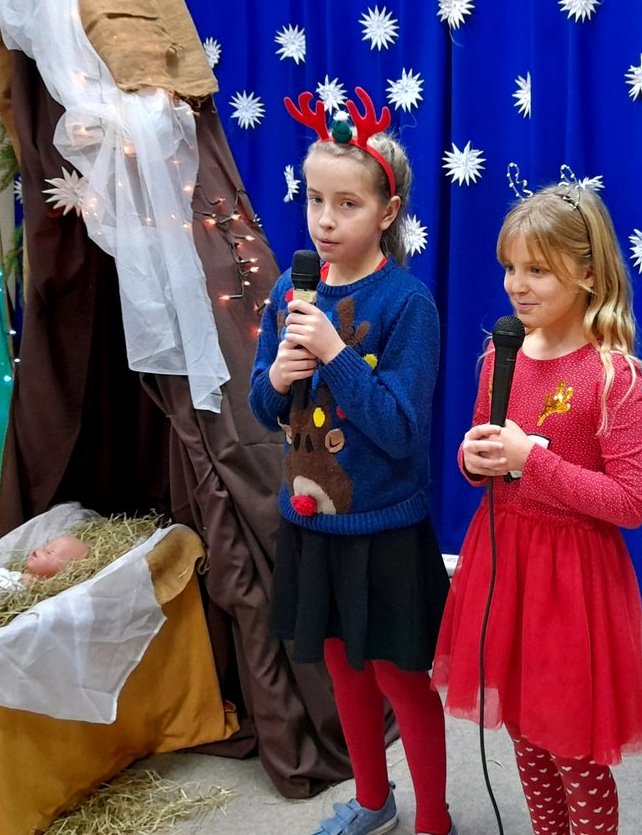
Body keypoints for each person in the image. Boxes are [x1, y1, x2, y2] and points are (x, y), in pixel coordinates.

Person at [250, 89, 454, 835]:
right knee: (342, 670)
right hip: (313, 523)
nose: (325, 221)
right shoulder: (290, 289)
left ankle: (433, 818)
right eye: (315, 200)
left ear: (387, 212)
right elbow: (262, 408)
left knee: (400, 679)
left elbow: (400, 429)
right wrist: (277, 379)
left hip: (382, 531)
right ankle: (373, 799)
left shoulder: (407, 305)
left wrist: (335, 353)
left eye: (347, 204)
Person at [432, 183, 642, 835]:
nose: (516, 285)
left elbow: (631, 502)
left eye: (537, 270)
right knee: (526, 738)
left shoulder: (612, 377)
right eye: (510, 267)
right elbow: (485, 457)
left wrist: (533, 459)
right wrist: (474, 459)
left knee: (572, 751)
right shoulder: (499, 357)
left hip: (571, 585)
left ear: (588, 274)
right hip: (506, 567)